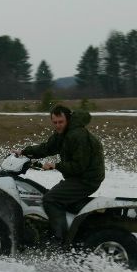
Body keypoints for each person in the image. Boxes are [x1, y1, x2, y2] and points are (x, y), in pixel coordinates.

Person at [15, 105, 105, 248]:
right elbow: (47, 148)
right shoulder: (63, 133)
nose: (57, 125)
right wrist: (25, 152)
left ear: (68, 119)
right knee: (50, 194)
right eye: (55, 122)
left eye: (60, 122)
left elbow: (79, 166)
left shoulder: (77, 135)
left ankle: (59, 240)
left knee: (51, 199)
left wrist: (56, 166)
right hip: (77, 177)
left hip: (87, 179)